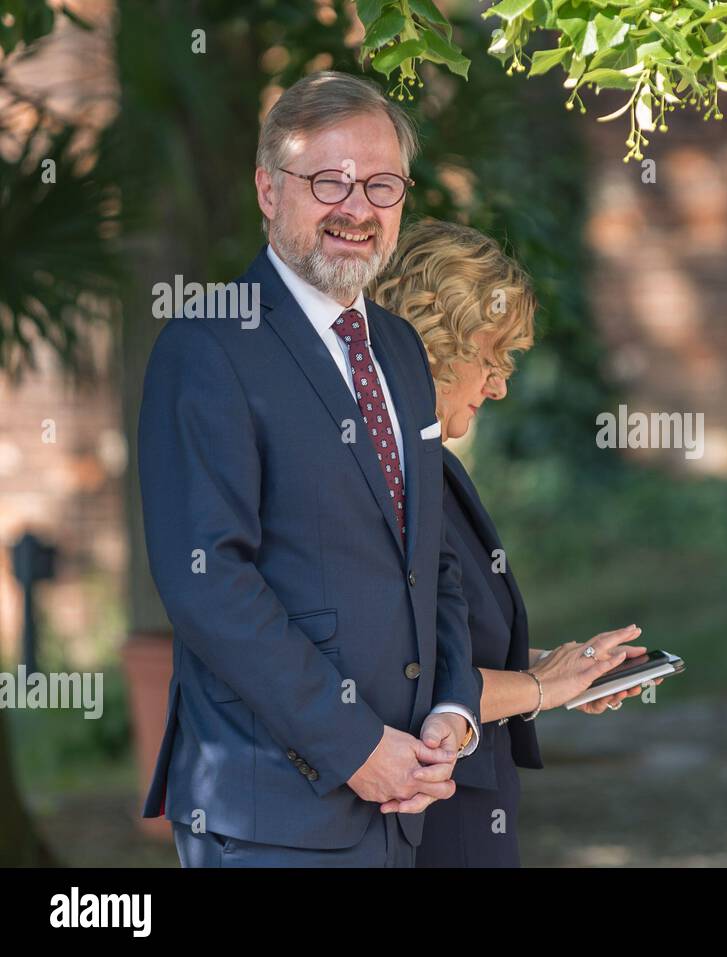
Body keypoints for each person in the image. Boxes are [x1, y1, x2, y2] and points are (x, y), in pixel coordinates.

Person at [138, 72, 480, 867]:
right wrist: (357, 743)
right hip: (270, 813)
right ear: (268, 189)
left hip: (405, 797)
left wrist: (453, 710)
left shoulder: (399, 349)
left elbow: (432, 560)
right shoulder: (209, 346)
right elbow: (207, 582)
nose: (357, 208)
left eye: (382, 184)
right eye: (329, 180)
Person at [372, 220, 655, 867]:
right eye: (491, 359)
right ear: (438, 345)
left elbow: (439, 643)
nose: (498, 385)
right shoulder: (382, 475)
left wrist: (566, 668)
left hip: (471, 794)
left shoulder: (432, 462)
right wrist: (538, 688)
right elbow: (393, 674)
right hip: (432, 806)